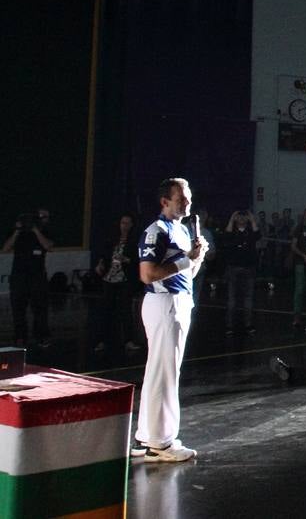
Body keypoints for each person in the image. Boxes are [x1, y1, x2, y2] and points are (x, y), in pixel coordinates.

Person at [134, 178, 208, 463]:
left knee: (159, 372)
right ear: (165, 201)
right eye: (181, 199)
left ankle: (145, 436)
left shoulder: (181, 229)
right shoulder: (157, 230)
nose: (187, 203)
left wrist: (197, 258)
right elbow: (148, 274)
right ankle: (162, 442)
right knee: (166, 373)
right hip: (164, 305)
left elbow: (186, 273)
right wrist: (187, 259)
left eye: (188, 198)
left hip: (178, 301)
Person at [3, 209, 54, 348]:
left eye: (45, 217)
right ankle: (20, 337)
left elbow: (48, 246)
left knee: (40, 309)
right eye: (40, 217)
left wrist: (36, 231)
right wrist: (18, 230)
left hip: (37, 276)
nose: (43, 219)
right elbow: (6, 248)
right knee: (18, 308)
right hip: (19, 276)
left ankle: (42, 336)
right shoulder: (19, 233)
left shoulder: (45, 231)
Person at [94, 213, 141, 353]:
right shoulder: (113, 239)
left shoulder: (134, 241)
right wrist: (101, 264)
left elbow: (138, 260)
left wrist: (127, 260)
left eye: (127, 223)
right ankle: (103, 340)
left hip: (124, 278)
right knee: (106, 310)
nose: (124, 226)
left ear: (131, 225)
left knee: (125, 310)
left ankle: (128, 340)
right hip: (109, 277)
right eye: (122, 223)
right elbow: (104, 254)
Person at [218, 210, 260, 336]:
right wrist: (232, 219)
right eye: (239, 217)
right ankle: (229, 325)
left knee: (248, 297)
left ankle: (248, 324)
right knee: (232, 298)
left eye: (244, 217)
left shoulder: (250, 232)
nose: (241, 218)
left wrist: (252, 220)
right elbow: (226, 236)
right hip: (233, 267)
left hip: (249, 267)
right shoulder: (232, 231)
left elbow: (258, 235)